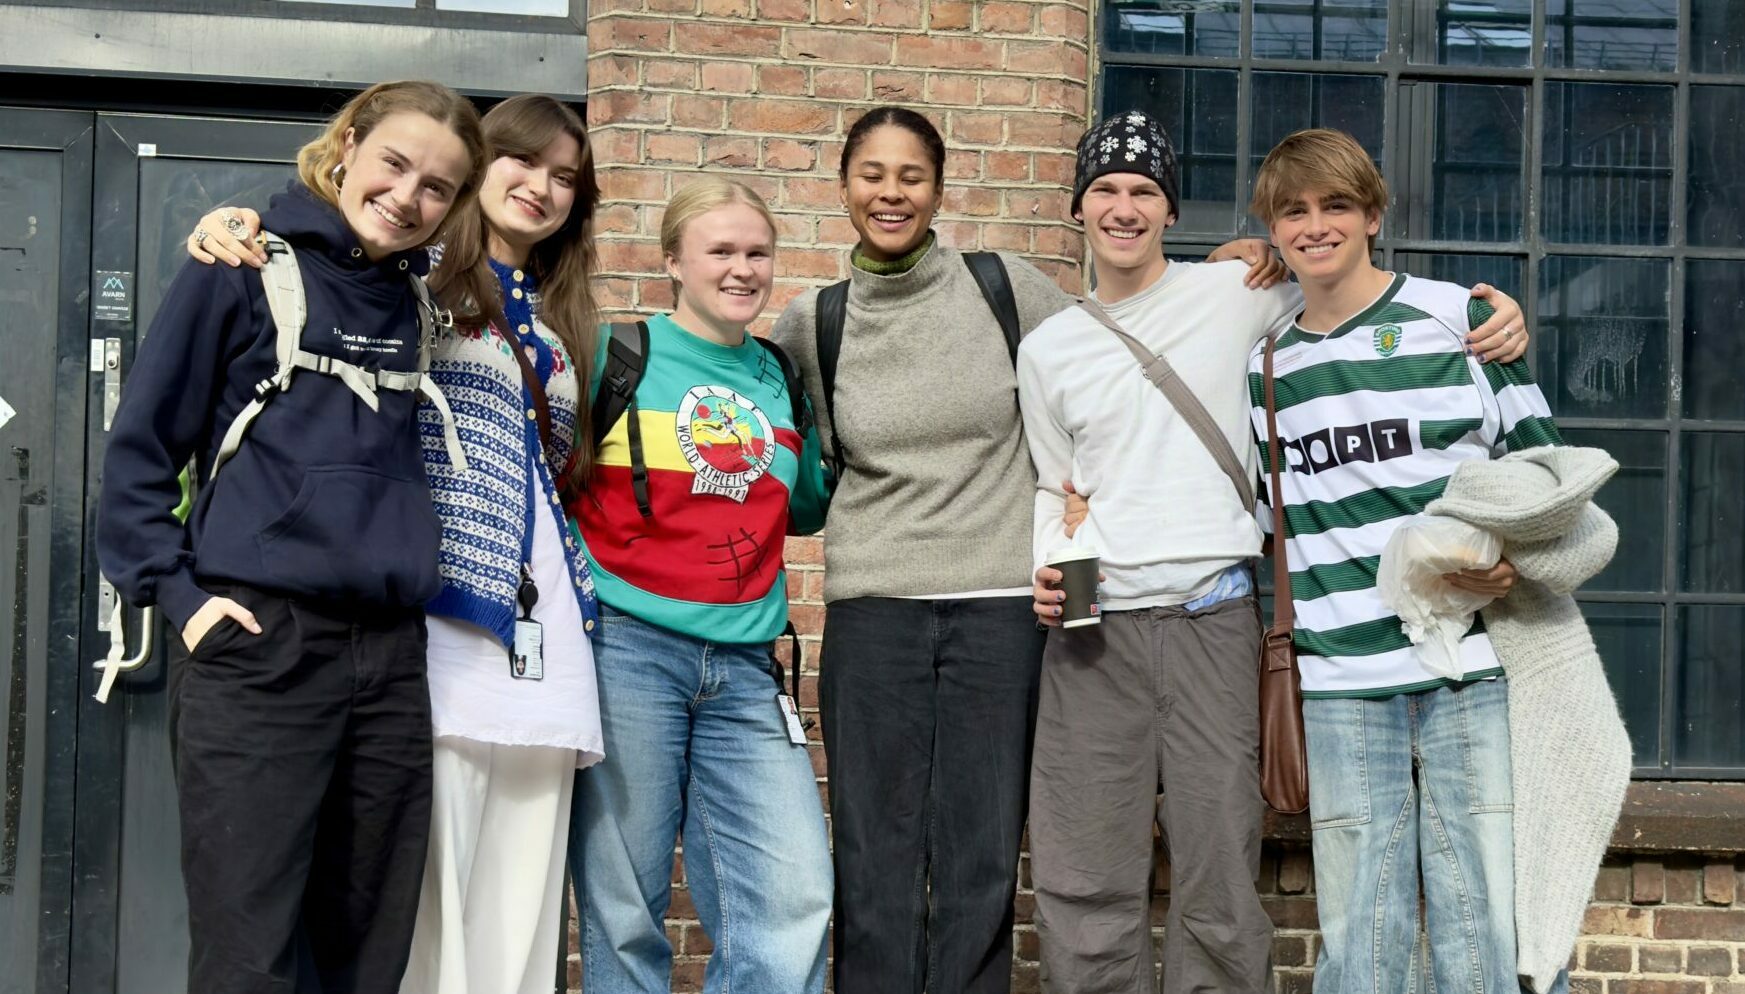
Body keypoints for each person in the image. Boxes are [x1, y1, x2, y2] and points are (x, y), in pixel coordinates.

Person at [766, 105, 1288, 994]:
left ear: (939, 191)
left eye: (911, 176)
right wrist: (1062, 574)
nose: (891, 192)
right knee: (914, 856)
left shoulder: (1017, 292)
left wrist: (1247, 262)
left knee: (1006, 856)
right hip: (935, 616)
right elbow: (1056, 479)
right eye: (872, 174)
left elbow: (1331, 299)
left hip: (1054, 611)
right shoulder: (823, 323)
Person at [1019, 111, 1530, 994]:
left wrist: (1492, 316)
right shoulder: (1047, 347)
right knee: (1085, 869)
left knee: (1219, 874)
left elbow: (1346, 282)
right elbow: (1057, 487)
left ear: (1170, 210)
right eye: (1103, 189)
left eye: (1143, 190)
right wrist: (1056, 573)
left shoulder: (1239, 293)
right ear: (1077, 208)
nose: (1123, 208)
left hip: (1214, 613)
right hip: (1097, 630)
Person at [188, 93, 608, 994]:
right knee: (375, 916)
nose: (540, 187)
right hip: (419, 621)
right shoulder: (417, 284)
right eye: (521, 161)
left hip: (516, 634)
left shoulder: (562, 321)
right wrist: (234, 222)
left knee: (490, 905)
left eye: (565, 177)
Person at [98, 80, 488, 994]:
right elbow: (139, 455)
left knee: (365, 955)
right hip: (259, 645)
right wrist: (182, 599)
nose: (407, 196)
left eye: (436, 186)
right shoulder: (240, 266)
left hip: (388, 660)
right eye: (393, 163)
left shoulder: (415, 301)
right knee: (249, 955)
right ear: (347, 146)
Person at [1243, 128, 1565, 994]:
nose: (1314, 226)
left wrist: (1511, 566)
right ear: (1271, 229)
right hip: (1339, 682)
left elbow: (1545, 477)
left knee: (1488, 928)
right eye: (1292, 211)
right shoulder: (1266, 365)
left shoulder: (1459, 320)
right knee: (1361, 940)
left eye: (1335, 205)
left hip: (1470, 671)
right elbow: (1268, 522)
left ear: (1373, 215)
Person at [564, 176, 833, 994]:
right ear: (674, 261)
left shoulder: (779, 375)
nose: (742, 269)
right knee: (625, 908)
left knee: (792, 898)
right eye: (720, 251)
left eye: (757, 252)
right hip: (627, 654)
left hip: (746, 667)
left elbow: (807, 505)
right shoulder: (611, 356)